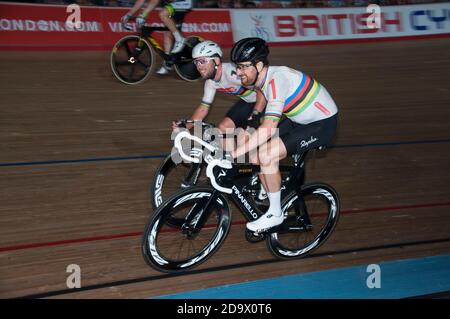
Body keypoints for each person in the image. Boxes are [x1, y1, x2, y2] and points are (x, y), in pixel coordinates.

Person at [228, 37, 339, 233]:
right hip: (299, 118)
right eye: (237, 66)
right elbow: (262, 111)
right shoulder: (262, 78)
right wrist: (247, 134)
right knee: (254, 156)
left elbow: (269, 126)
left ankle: (275, 213)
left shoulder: (277, 80)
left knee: (265, 155)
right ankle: (271, 186)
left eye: (243, 67)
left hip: (322, 124)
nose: (238, 72)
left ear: (259, 65)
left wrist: (234, 154)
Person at [173, 40, 266, 151]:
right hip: (248, 102)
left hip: (264, 100)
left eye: (202, 61)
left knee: (244, 140)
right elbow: (203, 109)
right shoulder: (210, 83)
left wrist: (256, 113)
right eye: (196, 62)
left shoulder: (233, 73)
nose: (199, 66)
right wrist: (186, 127)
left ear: (216, 60)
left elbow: (262, 88)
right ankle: (230, 164)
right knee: (222, 129)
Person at [121, 0, 192, 75]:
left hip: (183, 2)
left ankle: (179, 39)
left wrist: (143, 15)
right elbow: (140, 1)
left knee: (163, 14)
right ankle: (168, 62)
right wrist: (128, 15)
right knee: (168, 32)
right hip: (174, 3)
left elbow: (154, 1)